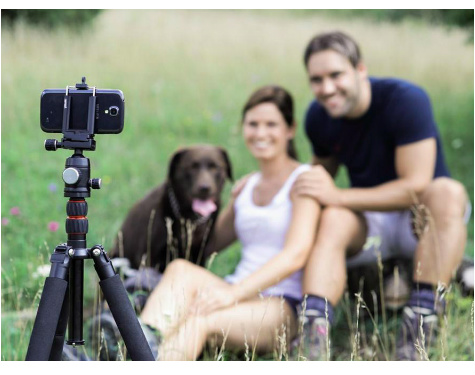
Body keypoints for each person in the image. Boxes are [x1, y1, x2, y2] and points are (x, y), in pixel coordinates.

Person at [291, 31, 470, 360]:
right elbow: (318, 180)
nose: (327, 88)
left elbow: (415, 186)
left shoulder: (405, 99)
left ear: (360, 69)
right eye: (316, 79)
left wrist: (339, 196)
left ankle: (419, 325)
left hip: (423, 218)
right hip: (370, 221)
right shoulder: (319, 117)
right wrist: (270, 180)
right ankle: (312, 333)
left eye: (336, 75)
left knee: (447, 190)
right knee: (332, 216)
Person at [133, 85, 320, 360]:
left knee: (198, 321)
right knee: (181, 269)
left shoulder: (304, 180)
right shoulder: (246, 187)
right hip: (235, 291)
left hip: (279, 306)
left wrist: (234, 293)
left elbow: (296, 254)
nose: (260, 133)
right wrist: (181, 202)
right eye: (253, 124)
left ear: (290, 129)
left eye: (271, 124)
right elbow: (208, 244)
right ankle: (141, 341)